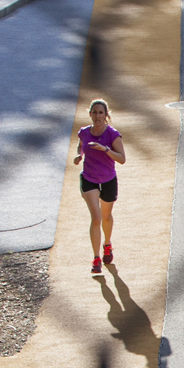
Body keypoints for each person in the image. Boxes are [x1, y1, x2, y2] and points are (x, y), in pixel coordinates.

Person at [73, 99, 125, 275]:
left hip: (108, 179)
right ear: (90, 114)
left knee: (106, 216)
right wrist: (78, 156)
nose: (97, 116)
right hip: (89, 179)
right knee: (96, 218)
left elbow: (122, 158)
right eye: (94, 112)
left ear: (106, 115)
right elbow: (80, 145)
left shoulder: (113, 135)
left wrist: (105, 150)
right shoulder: (84, 132)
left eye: (100, 112)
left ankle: (107, 245)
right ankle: (96, 259)